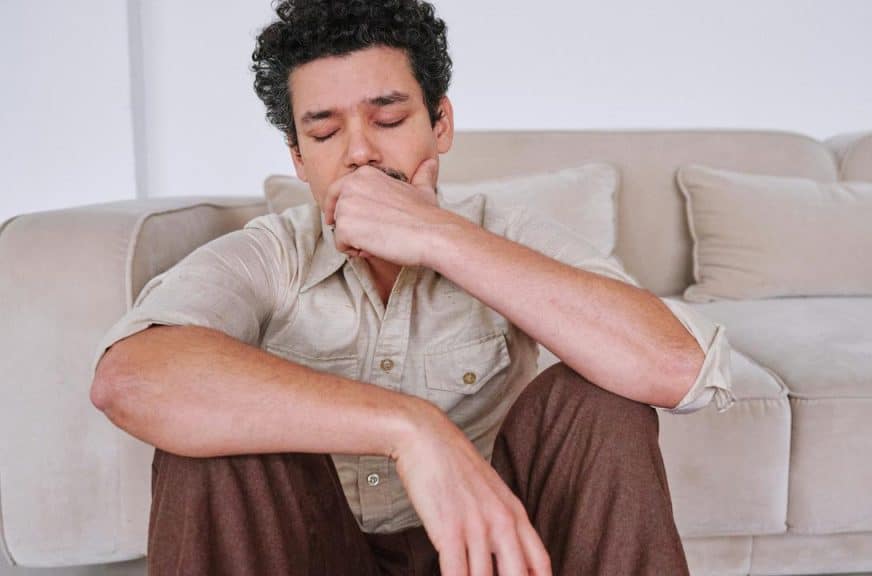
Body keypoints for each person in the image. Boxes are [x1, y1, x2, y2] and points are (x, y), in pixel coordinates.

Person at [88, 0, 736, 574]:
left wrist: (436, 236)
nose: (360, 153)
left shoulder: (503, 232)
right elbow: (130, 379)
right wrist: (410, 429)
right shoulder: (272, 252)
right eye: (324, 133)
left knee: (600, 401)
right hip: (318, 551)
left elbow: (679, 368)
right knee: (209, 439)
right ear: (299, 158)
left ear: (440, 124)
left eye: (389, 120)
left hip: (495, 553)